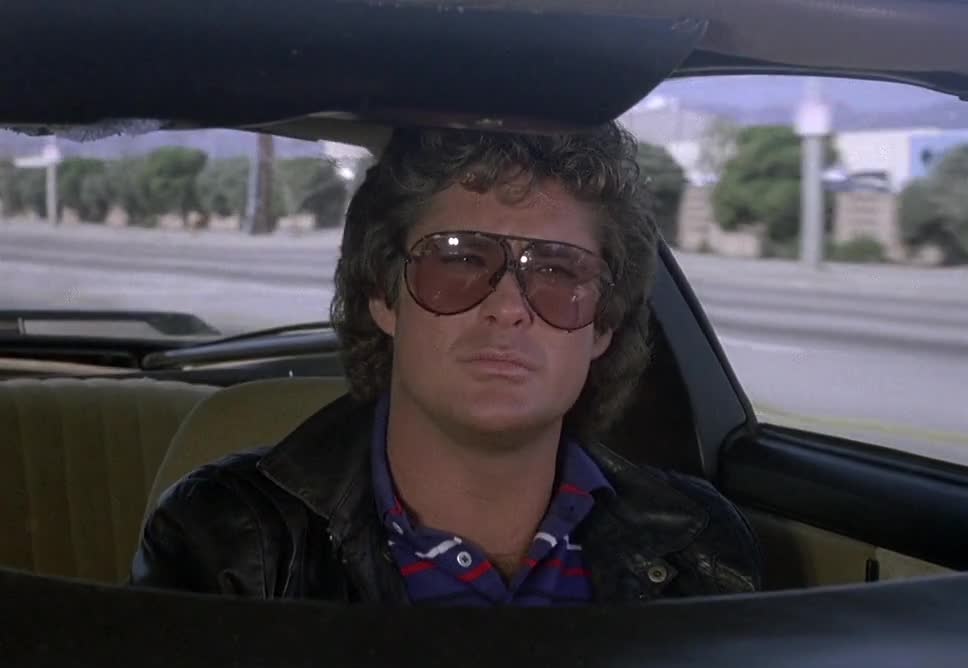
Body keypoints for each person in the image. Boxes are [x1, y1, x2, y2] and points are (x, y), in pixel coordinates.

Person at [130, 122, 762, 605]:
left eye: (557, 271)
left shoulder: (699, 543)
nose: (508, 308)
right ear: (384, 295)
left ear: (603, 326)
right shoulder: (224, 542)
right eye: (458, 259)